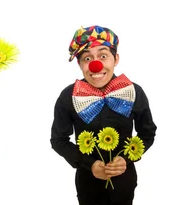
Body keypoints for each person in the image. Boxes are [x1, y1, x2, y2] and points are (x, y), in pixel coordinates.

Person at [50, 25, 157, 205]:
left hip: (125, 180)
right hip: (87, 183)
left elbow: (147, 133)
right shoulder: (67, 96)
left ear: (116, 59)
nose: (95, 64)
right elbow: (58, 140)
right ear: (80, 64)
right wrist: (89, 164)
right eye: (87, 58)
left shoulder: (134, 92)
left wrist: (127, 158)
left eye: (103, 55)